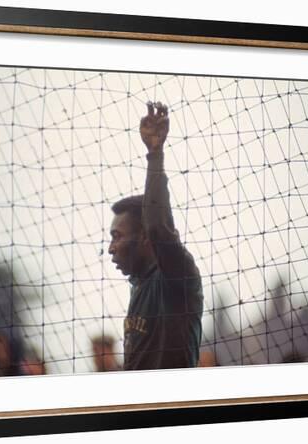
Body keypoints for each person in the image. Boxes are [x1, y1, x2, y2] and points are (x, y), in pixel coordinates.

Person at [108, 102, 203, 371]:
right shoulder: (139, 285)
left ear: (145, 239)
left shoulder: (176, 279)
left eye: (117, 237)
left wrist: (155, 154)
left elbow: (159, 229)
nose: (111, 249)